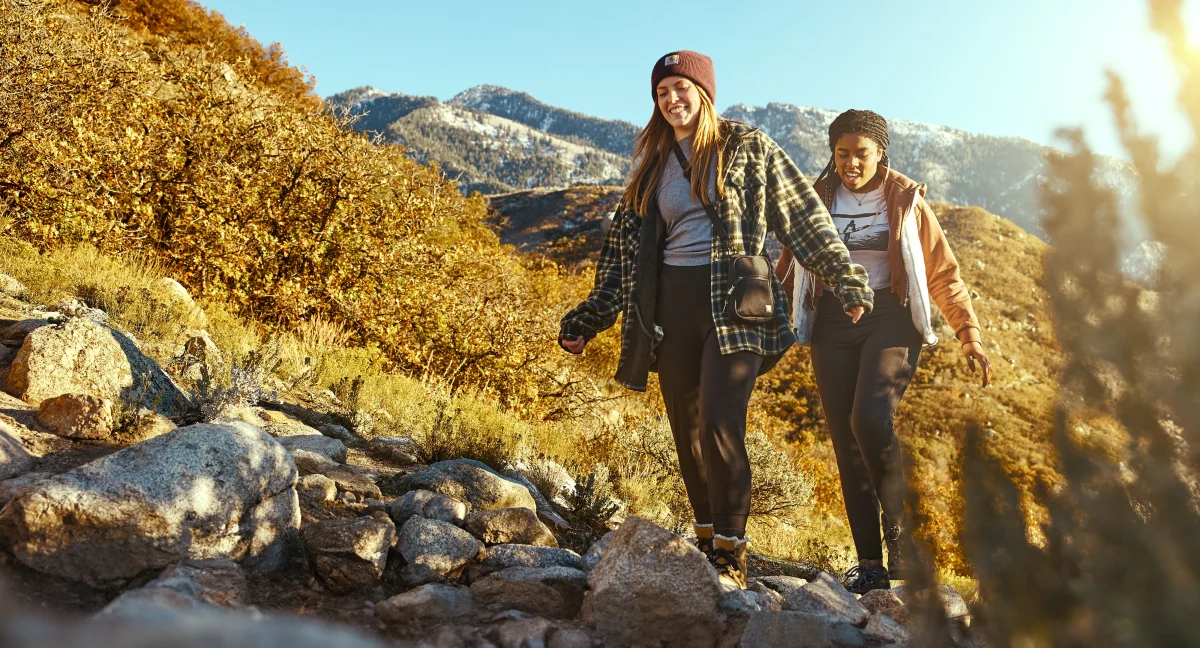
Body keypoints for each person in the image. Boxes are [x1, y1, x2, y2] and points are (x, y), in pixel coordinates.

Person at [558, 51, 872, 590]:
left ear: (703, 92)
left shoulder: (746, 146)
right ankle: (705, 539)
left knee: (722, 421)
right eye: (662, 93)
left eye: (682, 88)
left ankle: (732, 549)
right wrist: (590, 317)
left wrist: (845, 280)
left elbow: (802, 216)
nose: (672, 100)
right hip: (670, 305)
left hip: (736, 302)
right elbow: (620, 254)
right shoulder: (652, 165)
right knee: (688, 428)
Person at [775, 109, 993, 593]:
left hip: (891, 319)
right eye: (842, 153)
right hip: (832, 321)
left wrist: (968, 333)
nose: (851, 162)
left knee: (869, 419)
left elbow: (943, 273)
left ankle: (900, 536)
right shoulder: (816, 199)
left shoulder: (905, 200)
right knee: (846, 442)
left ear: (881, 154)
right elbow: (789, 267)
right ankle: (870, 564)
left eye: (862, 153)